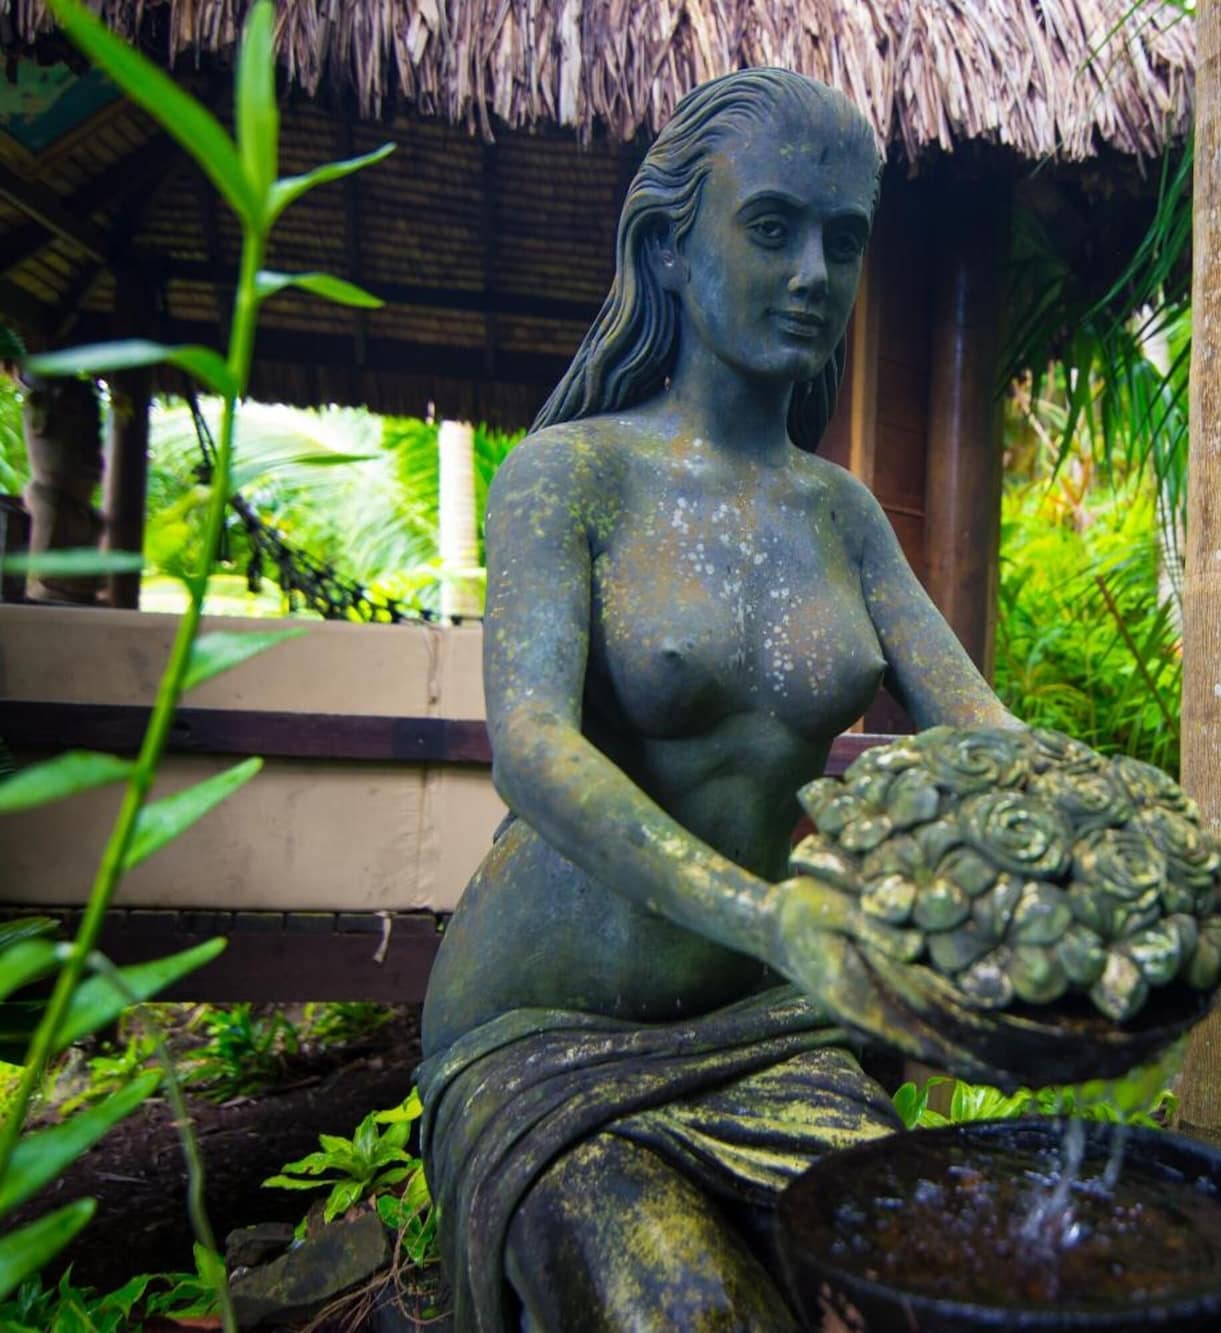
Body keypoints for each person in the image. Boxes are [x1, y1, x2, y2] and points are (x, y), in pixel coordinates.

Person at [417, 67, 1017, 1332]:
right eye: (771, 227)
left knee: (927, 1286)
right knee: (689, 1312)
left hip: (770, 1025)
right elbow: (531, 748)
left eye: (841, 241)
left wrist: (1125, 840)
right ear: (668, 248)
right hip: (548, 1032)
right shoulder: (568, 476)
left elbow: (990, 741)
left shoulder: (840, 514)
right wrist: (768, 917)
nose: (812, 272)